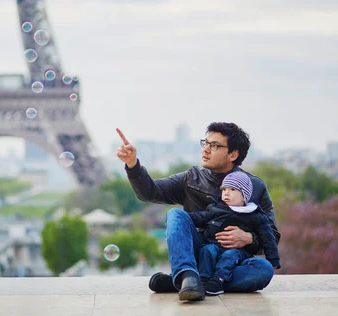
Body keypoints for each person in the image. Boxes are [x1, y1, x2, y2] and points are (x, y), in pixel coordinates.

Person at [115, 122, 280, 301]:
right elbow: (150, 192)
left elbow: (272, 235)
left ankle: (189, 282)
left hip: (233, 261)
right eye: (206, 143)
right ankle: (188, 276)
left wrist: (249, 238)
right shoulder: (191, 179)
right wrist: (133, 165)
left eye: (215, 145)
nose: (206, 150)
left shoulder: (255, 186)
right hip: (199, 254)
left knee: (263, 270)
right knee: (175, 215)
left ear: (233, 154)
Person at [189, 171, 280, 296]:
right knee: (207, 250)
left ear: (244, 196)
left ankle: (218, 280)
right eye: (224, 189)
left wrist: (273, 259)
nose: (226, 192)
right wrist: (184, 217)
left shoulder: (256, 215)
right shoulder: (217, 209)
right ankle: (204, 281)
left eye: (232, 189)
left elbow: (268, 238)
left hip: (239, 252)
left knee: (230, 255)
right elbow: (201, 217)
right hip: (215, 246)